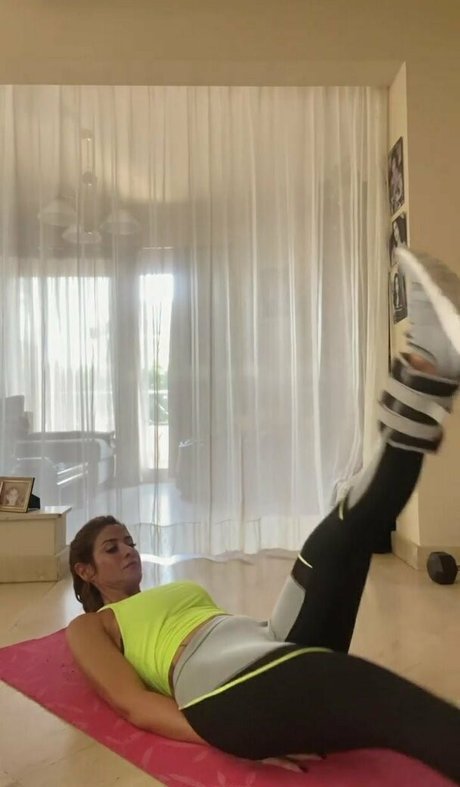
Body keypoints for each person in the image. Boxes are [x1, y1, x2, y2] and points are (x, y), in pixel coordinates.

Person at [67, 247, 460, 785]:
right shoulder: (90, 627)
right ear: (85, 571)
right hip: (223, 689)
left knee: (340, 538)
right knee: (378, 697)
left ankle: (429, 369)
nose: (128, 550)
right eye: (111, 548)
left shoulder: (161, 592)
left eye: (129, 540)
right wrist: (228, 734)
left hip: (270, 640)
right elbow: (132, 704)